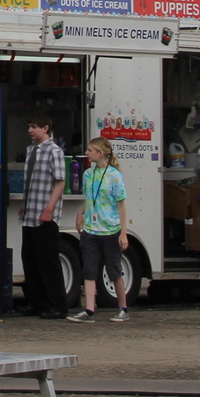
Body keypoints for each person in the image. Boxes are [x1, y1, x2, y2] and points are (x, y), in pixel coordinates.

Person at [68, 137, 130, 323]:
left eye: (89, 150)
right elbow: (91, 200)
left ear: (100, 153)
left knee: (113, 269)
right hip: (91, 229)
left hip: (110, 229)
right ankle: (89, 310)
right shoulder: (88, 174)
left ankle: (123, 307)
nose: (86, 153)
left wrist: (124, 232)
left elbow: (121, 206)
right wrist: (81, 213)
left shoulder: (114, 176)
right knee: (89, 268)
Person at [19, 118, 68, 318]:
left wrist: (49, 208)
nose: (30, 130)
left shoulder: (54, 151)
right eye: (29, 127)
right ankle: (37, 301)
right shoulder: (31, 150)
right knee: (30, 258)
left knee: (48, 260)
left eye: (34, 127)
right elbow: (30, 180)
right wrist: (25, 203)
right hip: (30, 213)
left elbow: (60, 182)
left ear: (45, 128)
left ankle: (57, 305)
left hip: (45, 215)